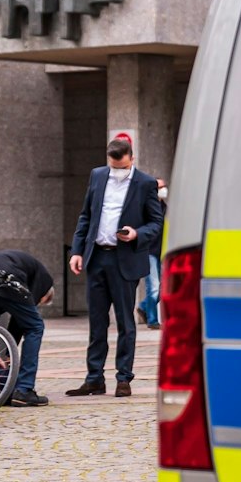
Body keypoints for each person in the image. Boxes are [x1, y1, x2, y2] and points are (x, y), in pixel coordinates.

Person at [66, 136, 164, 397]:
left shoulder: (145, 183)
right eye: (113, 167)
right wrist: (77, 251)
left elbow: (156, 222)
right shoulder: (98, 176)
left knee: (125, 323)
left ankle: (124, 378)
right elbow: (86, 215)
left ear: (132, 159)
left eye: (121, 167)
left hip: (125, 259)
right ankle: (94, 378)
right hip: (97, 256)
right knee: (97, 323)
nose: (117, 171)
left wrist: (136, 234)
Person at [0, 248, 54, 407]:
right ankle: (24, 390)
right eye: (40, 302)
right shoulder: (45, 282)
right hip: (5, 274)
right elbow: (22, 321)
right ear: (45, 295)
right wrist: (7, 353)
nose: (37, 304)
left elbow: (12, 322)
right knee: (35, 326)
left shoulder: (23, 262)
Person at [137, 181, 168, 329]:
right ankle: (152, 320)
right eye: (160, 188)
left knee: (164, 286)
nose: (163, 190)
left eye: (164, 186)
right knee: (154, 286)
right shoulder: (145, 208)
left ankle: (143, 306)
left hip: (162, 251)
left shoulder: (166, 208)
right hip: (149, 251)